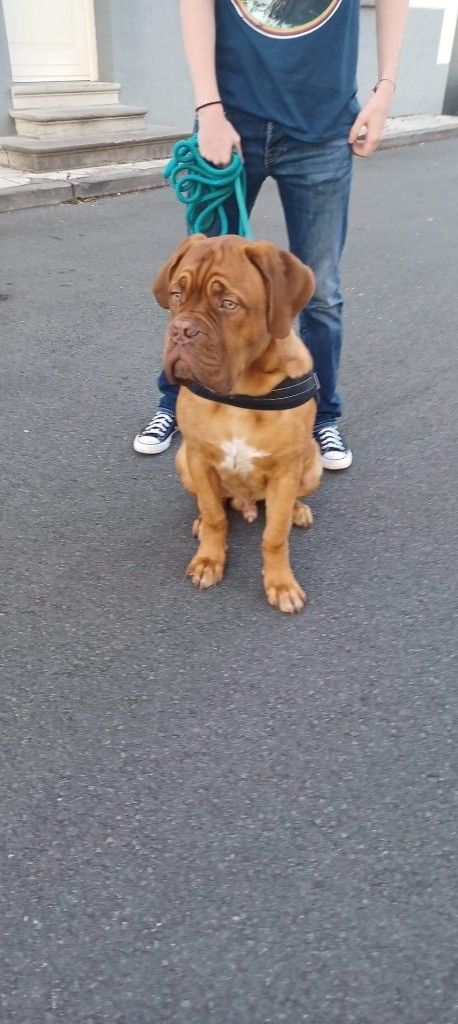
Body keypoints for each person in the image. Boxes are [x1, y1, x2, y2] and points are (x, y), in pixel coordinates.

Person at [134, 0, 408, 469]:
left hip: (324, 126)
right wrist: (208, 109)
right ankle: (177, 402)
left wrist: (385, 90)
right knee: (199, 284)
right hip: (229, 118)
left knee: (321, 292)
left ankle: (320, 415)